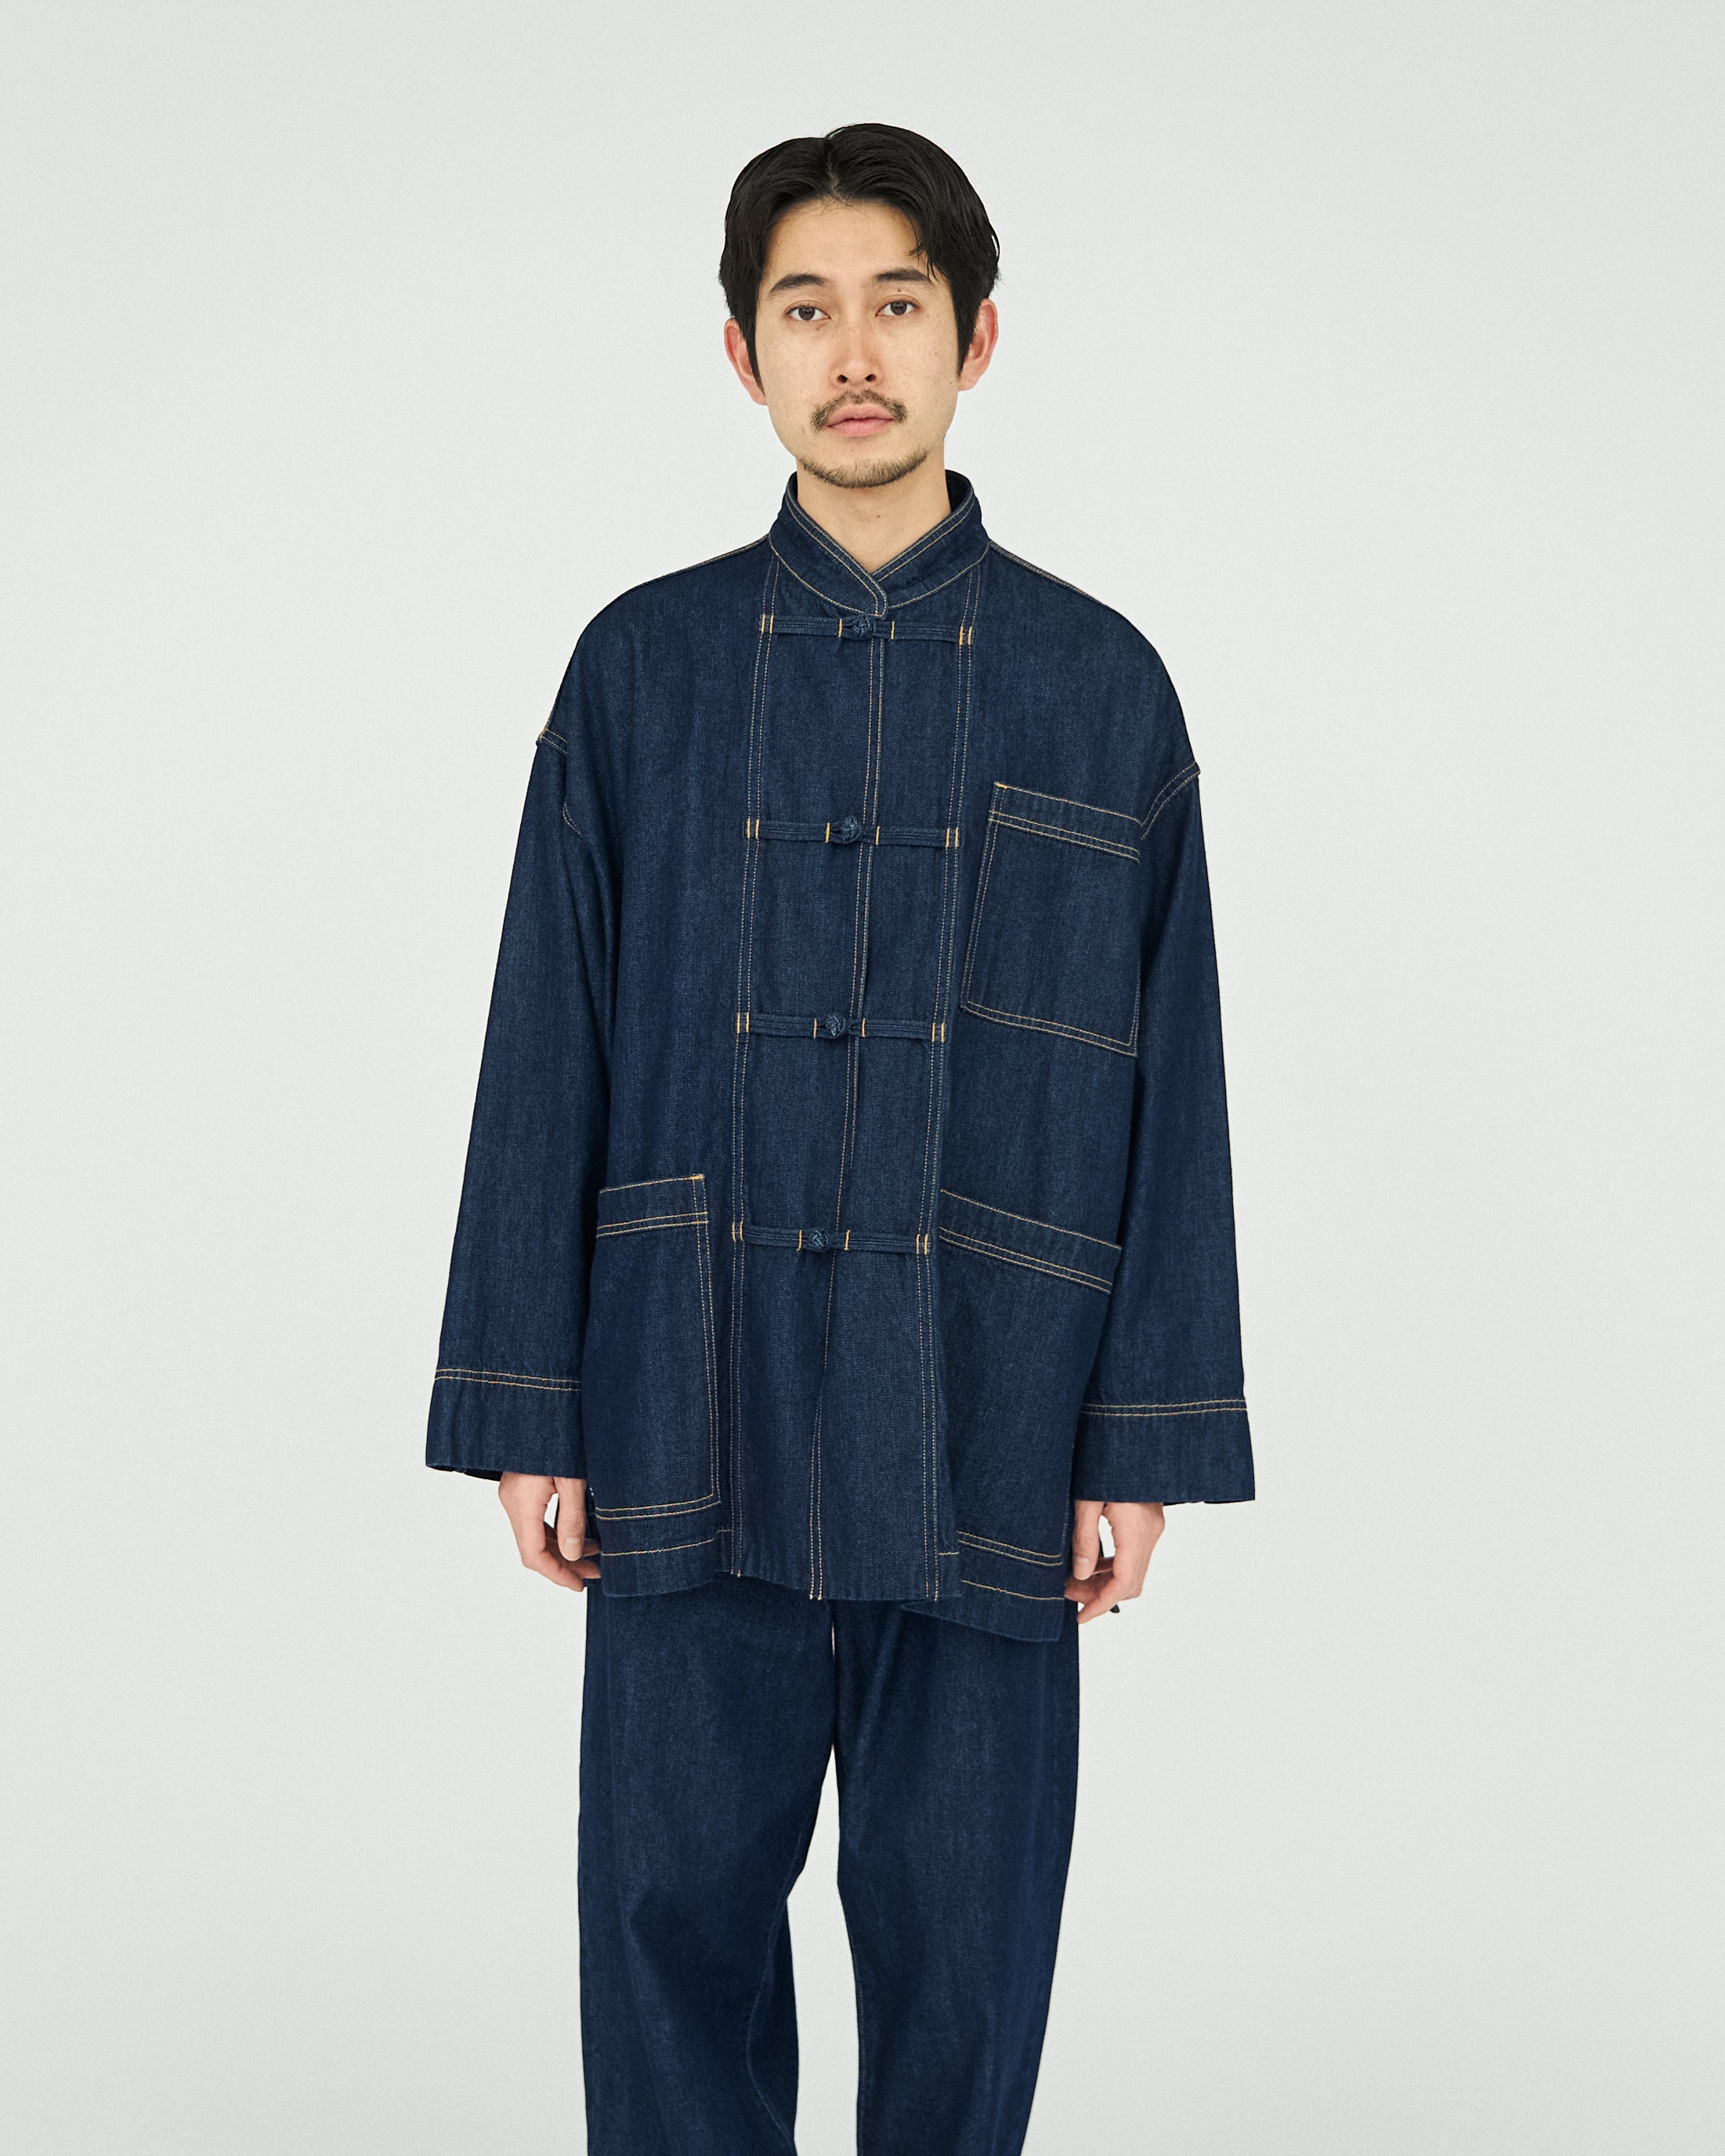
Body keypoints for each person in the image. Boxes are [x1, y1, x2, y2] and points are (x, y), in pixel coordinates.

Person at [427, 120, 1254, 2156]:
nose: (854, 351)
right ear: (743, 353)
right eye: (806, 308)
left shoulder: (1100, 689)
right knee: (665, 1943)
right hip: (680, 1408)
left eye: (898, 302)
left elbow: (1176, 1078)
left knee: (968, 1968)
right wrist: (531, 1399)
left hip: (991, 1415)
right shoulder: (641, 670)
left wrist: (1141, 1438)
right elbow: (548, 1032)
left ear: (978, 337)